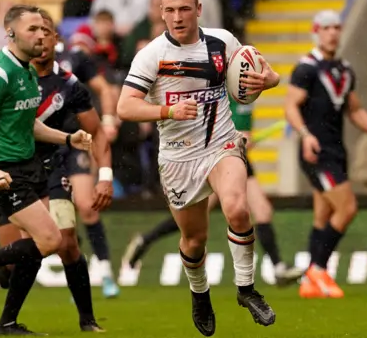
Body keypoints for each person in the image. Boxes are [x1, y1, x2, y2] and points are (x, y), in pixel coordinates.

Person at [117, 0, 279, 335]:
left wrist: (269, 80)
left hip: (222, 143)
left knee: (237, 208)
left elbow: (265, 76)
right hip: (178, 158)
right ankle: (200, 292)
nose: (177, 17)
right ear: (161, 12)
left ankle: (247, 289)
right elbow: (124, 107)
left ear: (199, 10)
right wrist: (167, 112)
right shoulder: (152, 54)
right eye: (170, 10)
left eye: (185, 9)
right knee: (195, 240)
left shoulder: (223, 41)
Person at [0, 10, 114, 332]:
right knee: (48, 241)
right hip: (8, 171)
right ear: (11, 34)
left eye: (45, 29)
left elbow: (31, 125)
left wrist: (69, 138)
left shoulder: (30, 72)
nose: (41, 35)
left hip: (35, 167)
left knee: (49, 245)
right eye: (33, 29)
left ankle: (10, 322)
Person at [121, 96, 304, 287]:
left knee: (262, 210)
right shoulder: (222, 88)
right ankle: (145, 241)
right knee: (195, 219)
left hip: (237, 156)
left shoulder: (248, 95)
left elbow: (243, 128)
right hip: (217, 157)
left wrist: (244, 138)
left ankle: (277, 268)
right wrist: (233, 137)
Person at [284, 10, 367, 299]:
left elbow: (356, 111)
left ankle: (311, 283)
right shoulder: (306, 68)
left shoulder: (344, 70)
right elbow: (290, 106)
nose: (332, 32)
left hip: (337, 149)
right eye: (326, 28)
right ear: (316, 31)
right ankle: (319, 270)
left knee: (322, 216)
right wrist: (306, 135)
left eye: (337, 27)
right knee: (347, 208)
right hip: (316, 152)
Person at [56, 36, 121, 298]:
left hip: (76, 141)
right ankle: (77, 276)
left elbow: (103, 89)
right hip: (44, 145)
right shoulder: (24, 64)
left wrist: (107, 121)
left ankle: (105, 273)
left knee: (86, 206)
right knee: (62, 225)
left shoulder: (75, 58)